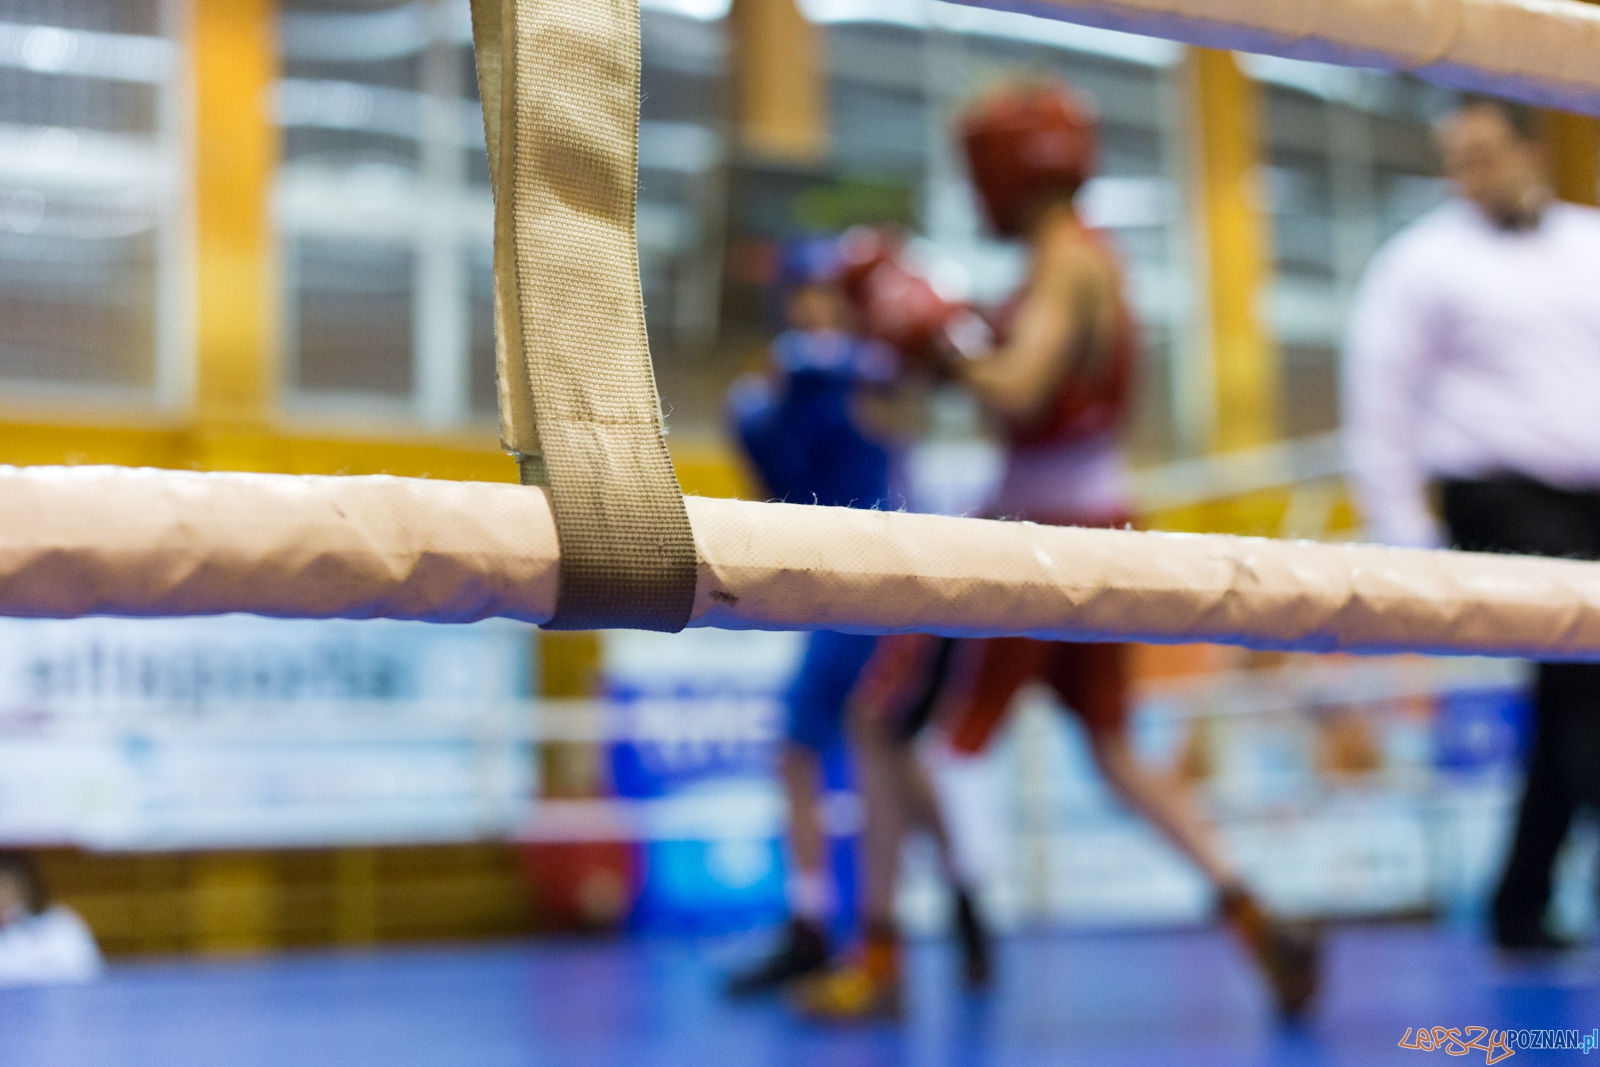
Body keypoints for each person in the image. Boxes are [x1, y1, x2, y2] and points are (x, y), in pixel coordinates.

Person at [792, 80, 1318, 1022]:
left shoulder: (1068, 260)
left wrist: (941, 342)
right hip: (1105, 528)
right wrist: (933, 353)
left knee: (884, 722)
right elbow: (1009, 389)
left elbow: (1021, 390)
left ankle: (884, 952)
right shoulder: (1085, 263)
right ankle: (1253, 916)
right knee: (1113, 751)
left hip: (1032, 546)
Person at [1344, 95, 1600, 952]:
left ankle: (1519, 901)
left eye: (1487, 153)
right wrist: (1404, 534)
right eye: (1458, 159)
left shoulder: (1589, 243)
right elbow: (1380, 398)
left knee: (1575, 696)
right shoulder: (1419, 263)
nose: (1473, 174)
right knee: (1581, 678)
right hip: (1494, 495)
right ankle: (1525, 898)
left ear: (1533, 150)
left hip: (1588, 497)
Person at [724, 237, 991, 996]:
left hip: (889, 574)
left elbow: (898, 409)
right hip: (838, 582)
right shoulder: (782, 395)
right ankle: (944, 907)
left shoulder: (867, 373)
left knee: (870, 746)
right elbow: (778, 496)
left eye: (829, 293)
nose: (816, 307)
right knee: (870, 750)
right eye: (805, 293)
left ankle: (869, 931)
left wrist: (839, 364)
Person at [0, 851, 101, 986]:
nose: (3, 897)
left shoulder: (62, 926)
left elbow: (88, 978)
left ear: (25, 888)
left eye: (6, 887)